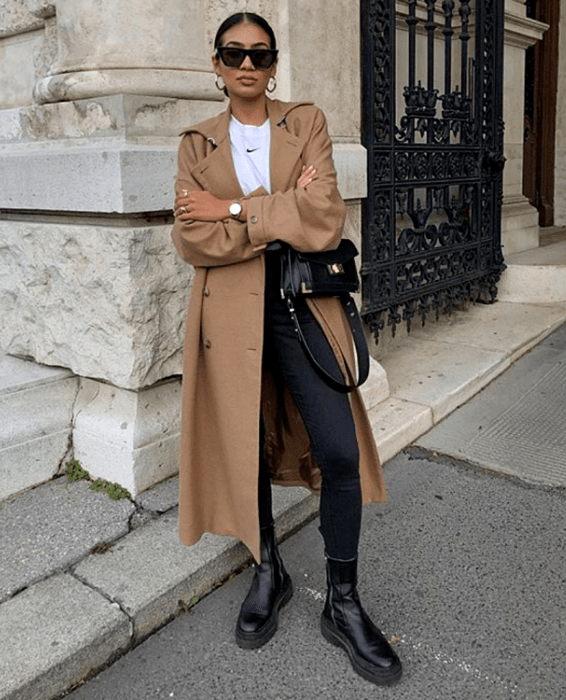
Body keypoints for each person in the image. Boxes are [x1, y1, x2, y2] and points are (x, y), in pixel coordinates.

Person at [172, 12, 402, 687]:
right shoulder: (194, 143)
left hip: (303, 309)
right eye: (233, 54)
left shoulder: (305, 122)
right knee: (244, 444)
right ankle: (266, 570)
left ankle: (343, 600)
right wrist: (278, 212)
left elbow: (325, 216)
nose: (247, 65)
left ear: (274, 65)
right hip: (227, 318)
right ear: (216, 65)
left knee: (337, 449)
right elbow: (190, 239)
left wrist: (234, 210)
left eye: (259, 54)